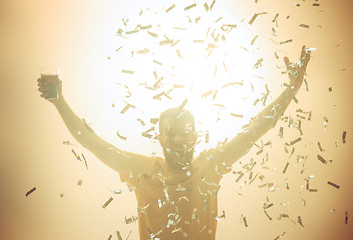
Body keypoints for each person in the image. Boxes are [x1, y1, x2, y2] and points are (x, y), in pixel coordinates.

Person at [37, 46, 310, 240]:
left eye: (184, 132)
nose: (178, 139)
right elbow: (91, 142)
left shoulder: (210, 166)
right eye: (170, 132)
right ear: (160, 138)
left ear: (195, 136)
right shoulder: (142, 171)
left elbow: (254, 131)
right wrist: (58, 101)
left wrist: (291, 89)